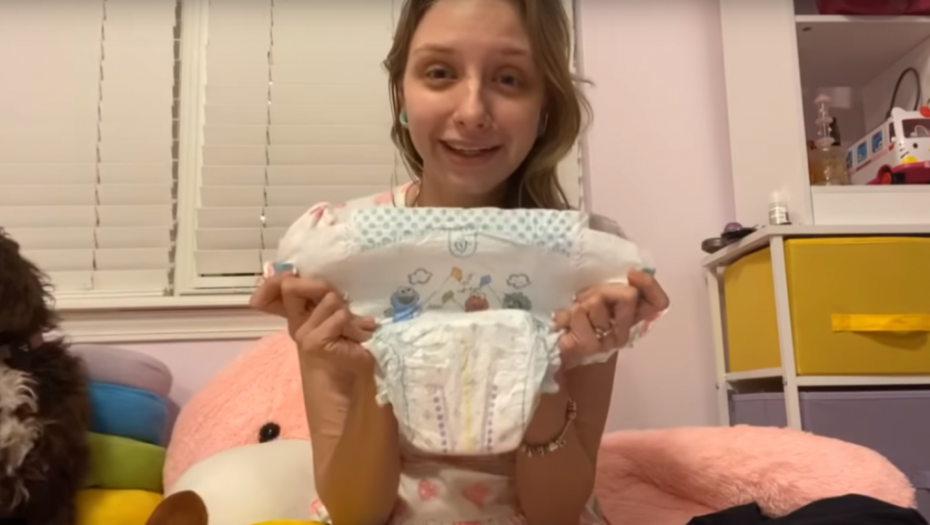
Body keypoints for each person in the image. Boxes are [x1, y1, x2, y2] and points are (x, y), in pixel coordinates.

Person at [250, 0, 670, 523]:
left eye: (509, 78)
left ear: (545, 105)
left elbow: (555, 513)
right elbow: (356, 513)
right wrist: (368, 373)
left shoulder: (579, 265)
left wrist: (545, 369)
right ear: (402, 93)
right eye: (440, 73)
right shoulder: (345, 254)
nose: (472, 111)